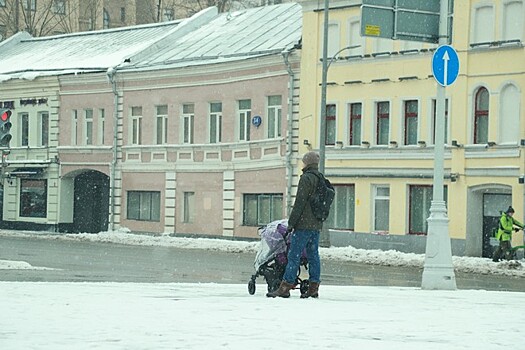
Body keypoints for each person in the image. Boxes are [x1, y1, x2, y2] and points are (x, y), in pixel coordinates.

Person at [267, 151, 323, 298]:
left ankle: (285, 287)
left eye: (304, 161)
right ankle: (313, 287)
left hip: (304, 224)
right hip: (316, 225)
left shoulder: (306, 178)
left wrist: (291, 223)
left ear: (307, 163)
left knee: (294, 255)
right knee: (313, 256)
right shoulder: (320, 178)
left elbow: (300, 203)